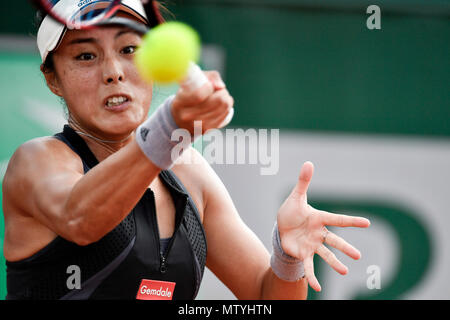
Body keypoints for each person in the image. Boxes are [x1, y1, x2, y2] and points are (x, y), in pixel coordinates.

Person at [1, 0, 370, 300]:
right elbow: (80, 221)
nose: (113, 71)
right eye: (85, 56)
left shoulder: (190, 173)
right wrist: (169, 125)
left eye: (129, 49)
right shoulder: (36, 161)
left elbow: (265, 297)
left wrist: (287, 258)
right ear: (52, 79)